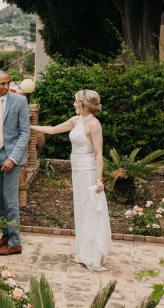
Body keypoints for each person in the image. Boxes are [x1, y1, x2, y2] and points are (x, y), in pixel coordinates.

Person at [31, 89, 111, 271]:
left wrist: (99, 179)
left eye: (76, 102)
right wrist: (30, 127)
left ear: (83, 105)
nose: (74, 104)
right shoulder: (76, 121)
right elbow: (52, 130)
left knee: (90, 210)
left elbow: (99, 154)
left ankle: (92, 254)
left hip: (89, 171)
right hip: (77, 170)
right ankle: (82, 252)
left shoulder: (94, 124)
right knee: (81, 210)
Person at [0, 70, 30, 256]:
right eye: (3, 84)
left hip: (13, 158)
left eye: (8, 83)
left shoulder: (19, 101)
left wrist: (12, 159)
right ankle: (6, 234)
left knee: (11, 201)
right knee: (0, 200)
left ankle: (15, 242)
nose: (7, 87)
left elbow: (25, 132)